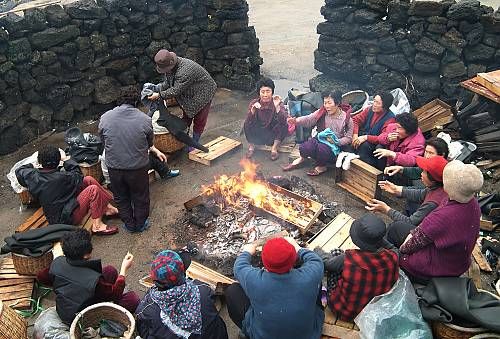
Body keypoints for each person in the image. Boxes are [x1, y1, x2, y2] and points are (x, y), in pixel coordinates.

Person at [387, 160, 483, 281]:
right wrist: (399, 190)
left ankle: (390, 271)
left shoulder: (442, 216)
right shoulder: (473, 204)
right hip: (458, 263)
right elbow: (422, 194)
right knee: (398, 227)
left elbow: (409, 245)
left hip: (436, 269)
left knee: (396, 244)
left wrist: (398, 252)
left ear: (448, 185)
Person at [99, 87, 169, 233]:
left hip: (114, 168)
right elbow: (149, 143)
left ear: (119, 100)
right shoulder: (145, 119)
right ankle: (141, 224)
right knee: (140, 196)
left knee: (121, 197)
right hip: (137, 169)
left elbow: (103, 141)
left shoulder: (105, 117)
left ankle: (129, 225)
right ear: (137, 101)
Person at [224, 237, 324, 339]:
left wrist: (247, 251)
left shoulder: (254, 280)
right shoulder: (309, 276)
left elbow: (238, 267)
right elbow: (316, 260)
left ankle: (247, 332)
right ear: (293, 258)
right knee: (317, 281)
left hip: (262, 336)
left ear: (264, 261)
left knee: (232, 291)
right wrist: (297, 247)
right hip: (309, 334)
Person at [37, 229, 139, 324]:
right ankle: (108, 314)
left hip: (65, 309)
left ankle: (106, 300)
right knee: (132, 299)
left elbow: (41, 277)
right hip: (81, 317)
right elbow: (115, 293)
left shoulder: (57, 262)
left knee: (109, 271)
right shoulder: (94, 281)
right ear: (86, 255)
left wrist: (66, 285)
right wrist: (123, 270)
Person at [15, 145, 118, 235]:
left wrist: (33, 165)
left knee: (88, 180)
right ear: (58, 160)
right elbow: (78, 174)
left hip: (58, 211)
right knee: (93, 190)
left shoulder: (33, 176)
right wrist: (66, 159)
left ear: (40, 162)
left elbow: (19, 170)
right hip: (67, 218)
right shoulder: (65, 177)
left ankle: (108, 207)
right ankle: (97, 226)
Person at [316, 214, 399, 321]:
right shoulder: (392, 257)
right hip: (372, 312)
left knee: (335, 253)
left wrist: (317, 251)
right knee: (342, 264)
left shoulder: (349, 259)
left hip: (343, 312)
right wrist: (377, 239)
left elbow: (327, 263)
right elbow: (394, 249)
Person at [136, 250, 228, 339]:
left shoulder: (146, 310)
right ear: (183, 274)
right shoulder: (202, 289)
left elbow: (144, 332)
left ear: (155, 281)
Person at [148, 49, 217, 145]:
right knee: (187, 115)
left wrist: (159, 95)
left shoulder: (184, 71)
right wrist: (157, 89)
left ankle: (194, 143)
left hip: (204, 91)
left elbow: (176, 90)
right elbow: (168, 82)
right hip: (191, 91)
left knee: (199, 119)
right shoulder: (171, 66)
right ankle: (184, 137)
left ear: (171, 63)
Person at [283, 90, 353, 176]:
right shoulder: (322, 112)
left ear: (337, 103)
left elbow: (349, 138)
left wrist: (337, 142)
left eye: (329, 103)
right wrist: (295, 121)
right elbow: (309, 119)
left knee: (321, 150)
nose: (326, 106)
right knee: (305, 147)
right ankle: (302, 159)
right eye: (325, 103)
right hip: (320, 138)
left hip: (334, 146)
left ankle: (322, 166)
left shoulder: (347, 120)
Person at [366, 156, 449, 228]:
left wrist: (386, 209)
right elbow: (420, 194)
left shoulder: (432, 203)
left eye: (424, 172)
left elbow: (410, 222)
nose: (421, 174)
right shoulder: (438, 187)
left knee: (396, 227)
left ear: (433, 179)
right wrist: (397, 189)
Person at [243, 77, 288, 161]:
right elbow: (248, 122)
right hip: (258, 136)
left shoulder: (277, 103)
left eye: (268, 91)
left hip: (272, 136)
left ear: (272, 92)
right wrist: (252, 112)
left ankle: (274, 148)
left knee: (284, 125)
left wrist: (277, 107)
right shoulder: (254, 103)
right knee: (246, 123)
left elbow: (283, 121)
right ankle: (251, 146)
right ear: (259, 93)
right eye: (262, 92)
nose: (265, 95)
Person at [351, 92, 396, 167]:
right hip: (361, 136)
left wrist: (366, 138)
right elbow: (355, 120)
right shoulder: (369, 110)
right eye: (374, 101)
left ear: (385, 106)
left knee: (364, 146)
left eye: (378, 103)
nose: (374, 104)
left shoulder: (390, 119)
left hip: (374, 143)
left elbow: (384, 138)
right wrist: (355, 135)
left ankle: (366, 168)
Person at [384, 137, 449, 185]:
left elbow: (422, 192)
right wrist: (401, 169)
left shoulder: (443, 173)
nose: (427, 156)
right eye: (426, 152)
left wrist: (398, 190)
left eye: (431, 153)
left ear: (442, 155)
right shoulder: (429, 166)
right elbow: (418, 171)